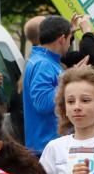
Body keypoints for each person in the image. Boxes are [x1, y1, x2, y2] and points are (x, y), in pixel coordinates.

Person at [23, 15, 71, 154]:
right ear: (62, 39)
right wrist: (69, 81)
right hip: (45, 148)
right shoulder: (43, 64)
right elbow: (42, 103)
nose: (69, 44)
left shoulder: (42, 60)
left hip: (46, 146)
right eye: (70, 39)